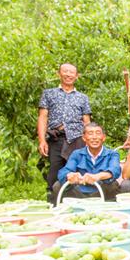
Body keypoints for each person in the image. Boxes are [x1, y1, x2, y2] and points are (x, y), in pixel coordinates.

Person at [38, 63, 91, 203]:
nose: (68, 74)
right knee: (54, 173)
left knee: (78, 172)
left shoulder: (82, 98)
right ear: (59, 74)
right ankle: (54, 204)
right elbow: (43, 117)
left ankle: (78, 204)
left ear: (77, 76)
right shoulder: (49, 93)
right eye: (65, 71)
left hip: (77, 139)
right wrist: (42, 140)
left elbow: (86, 121)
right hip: (56, 139)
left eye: (71, 72)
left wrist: (89, 140)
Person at [52, 122, 121, 203]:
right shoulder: (77, 154)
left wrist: (97, 176)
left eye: (98, 133)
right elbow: (64, 171)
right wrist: (70, 175)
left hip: (102, 193)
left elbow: (115, 170)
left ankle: (110, 210)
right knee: (58, 185)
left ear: (104, 137)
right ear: (84, 138)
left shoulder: (112, 154)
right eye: (90, 134)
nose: (94, 137)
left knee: (113, 184)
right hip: (79, 194)